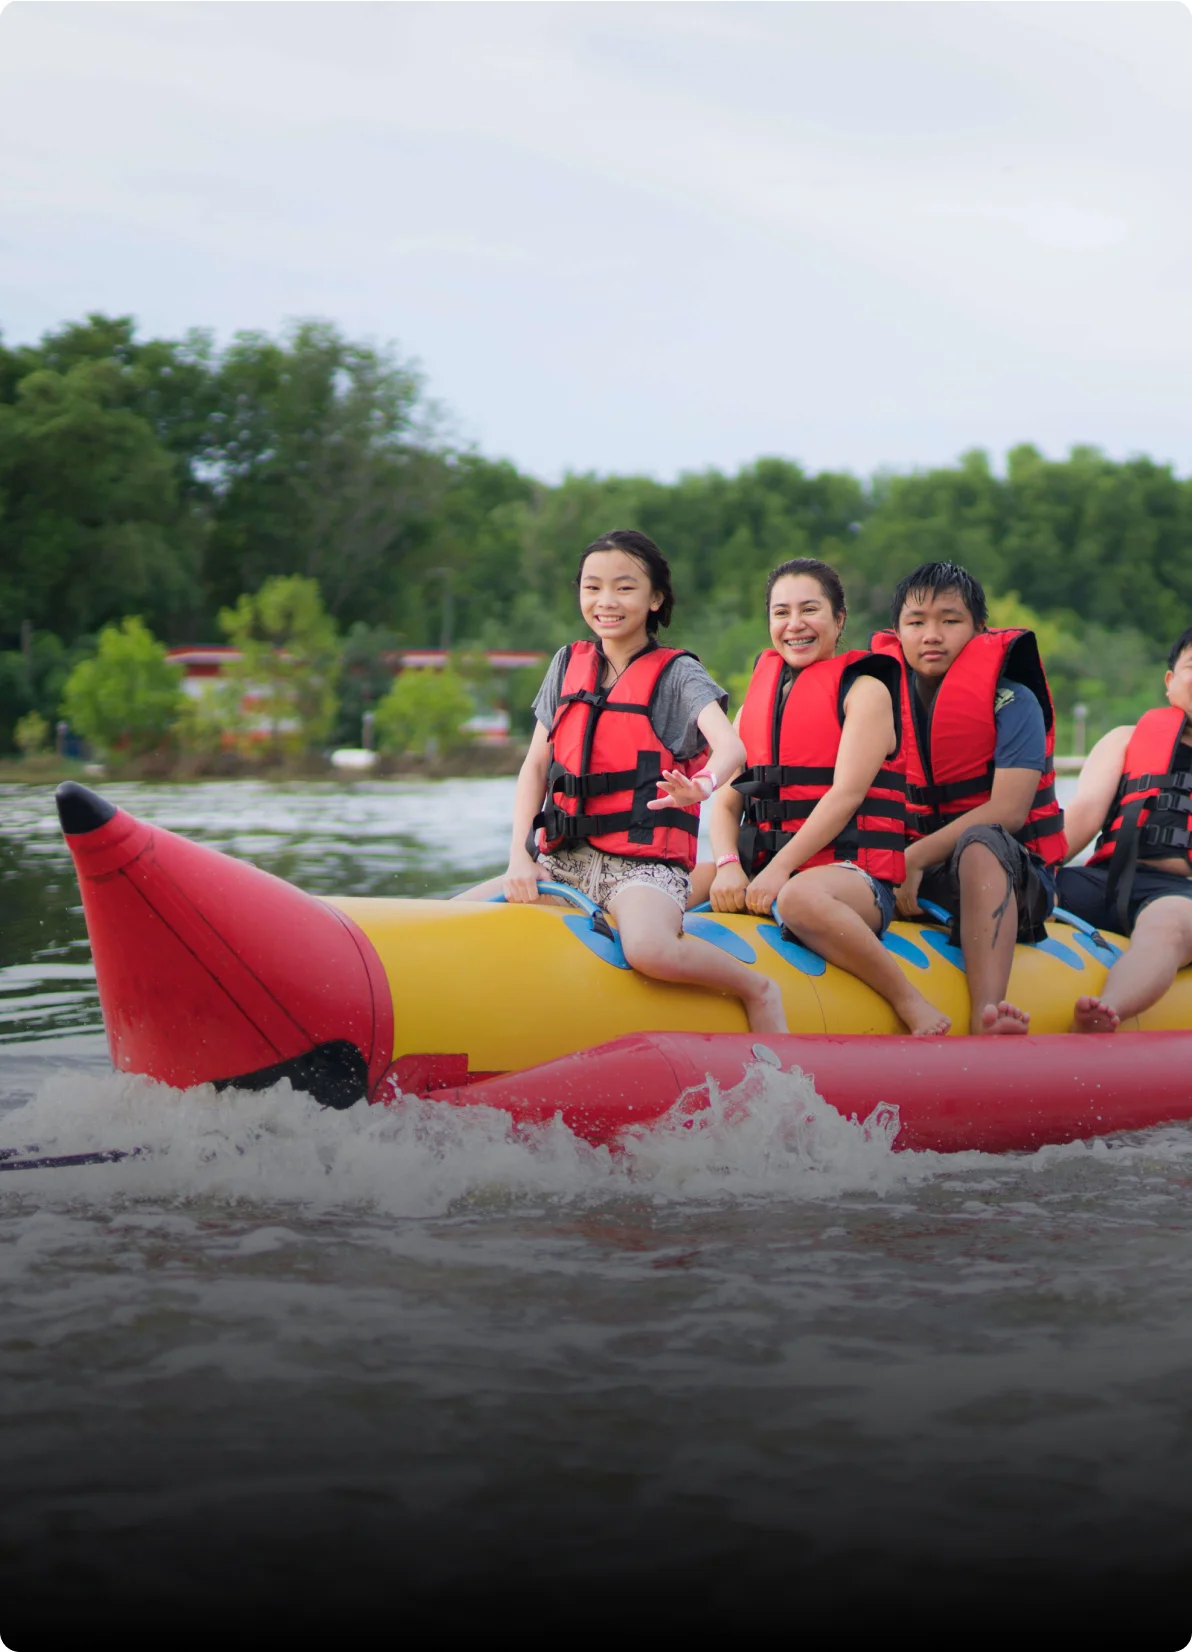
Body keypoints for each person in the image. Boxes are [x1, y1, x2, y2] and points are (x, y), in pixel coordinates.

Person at [456, 529, 787, 1034]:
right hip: (561, 863)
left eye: (624, 588)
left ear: (656, 599)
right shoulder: (567, 664)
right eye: (592, 587)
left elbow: (731, 748)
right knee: (455, 918)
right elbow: (535, 767)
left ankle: (757, 988)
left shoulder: (678, 675)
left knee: (649, 950)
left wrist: (703, 785)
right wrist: (519, 857)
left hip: (642, 872)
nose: (605, 601)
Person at [692, 557, 951, 1037]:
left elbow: (846, 795)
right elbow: (727, 801)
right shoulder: (755, 706)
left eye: (809, 610)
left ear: (839, 619)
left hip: (854, 876)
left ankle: (910, 1003)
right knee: (675, 883)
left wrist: (777, 870)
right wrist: (728, 862)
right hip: (767, 866)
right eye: (780, 613)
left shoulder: (866, 692)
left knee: (799, 898)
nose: (794, 625)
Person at [870, 561, 1068, 1036]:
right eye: (916, 623)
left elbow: (1009, 811)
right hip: (912, 872)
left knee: (982, 840)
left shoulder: (1014, 702)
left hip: (1011, 875)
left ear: (980, 629)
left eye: (950, 620)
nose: (931, 635)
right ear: (897, 632)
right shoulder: (876, 702)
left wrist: (911, 858)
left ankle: (987, 1016)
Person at [1056, 625, 1192, 1032]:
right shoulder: (1125, 740)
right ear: (1170, 682)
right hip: (1103, 879)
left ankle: (1107, 1009)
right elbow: (1083, 816)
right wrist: (1025, 867)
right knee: (1012, 887)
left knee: (1170, 926)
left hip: (1179, 895)